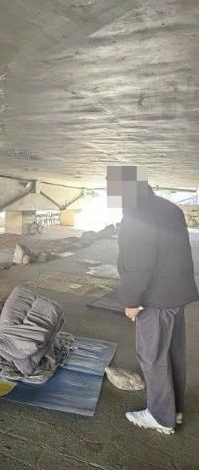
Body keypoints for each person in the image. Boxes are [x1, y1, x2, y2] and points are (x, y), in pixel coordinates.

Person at [108, 166, 199, 434]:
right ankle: (174, 410)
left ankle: (161, 417)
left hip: (155, 299)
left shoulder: (137, 215)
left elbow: (138, 266)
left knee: (152, 356)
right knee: (172, 354)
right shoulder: (168, 208)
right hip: (176, 295)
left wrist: (130, 301)